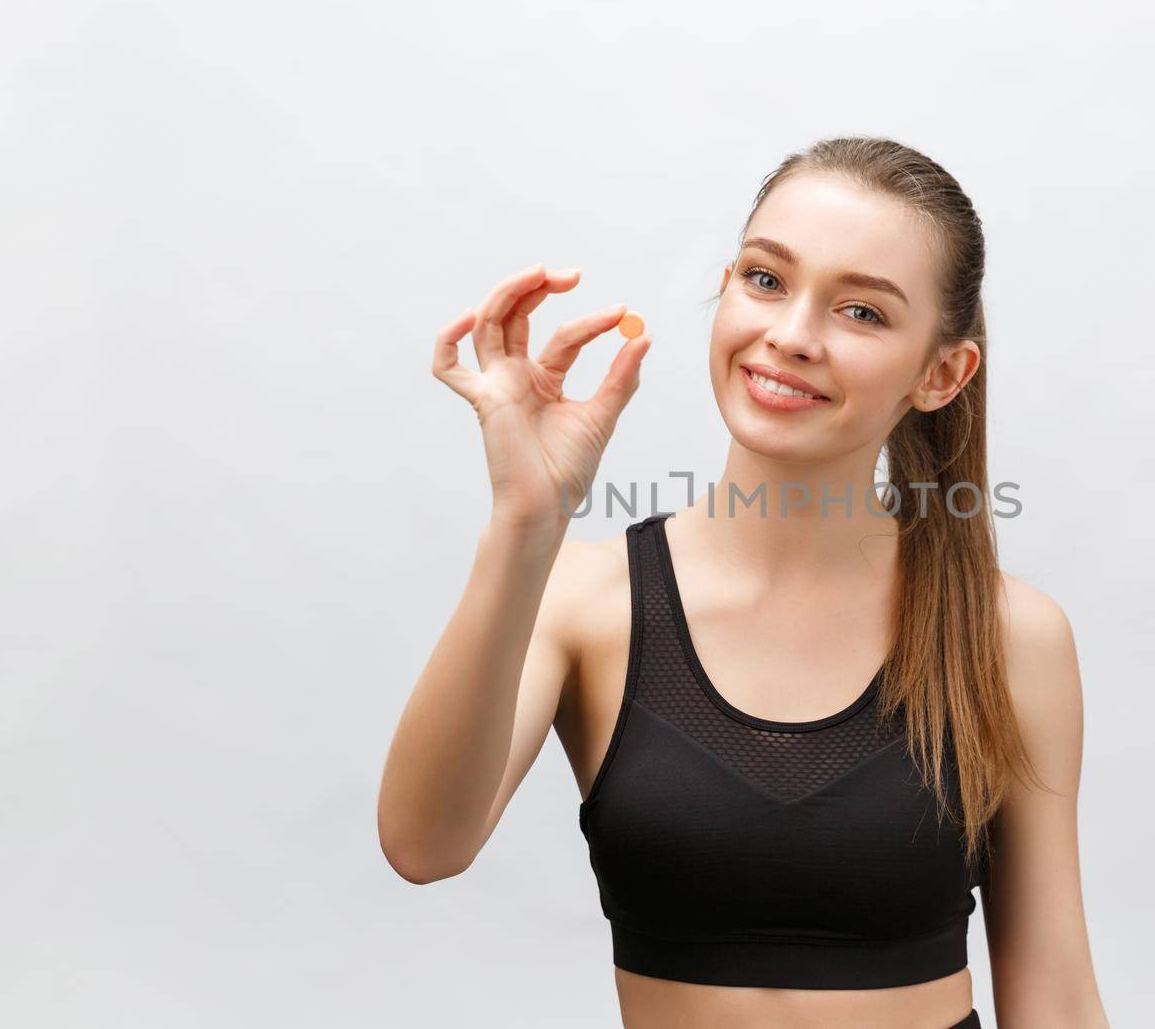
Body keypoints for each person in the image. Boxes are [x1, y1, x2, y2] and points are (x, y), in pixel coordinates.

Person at [378, 136, 1110, 1029]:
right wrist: (525, 526)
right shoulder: (584, 601)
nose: (791, 336)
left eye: (862, 313)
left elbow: (1055, 995)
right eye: (766, 280)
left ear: (941, 373)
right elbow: (422, 845)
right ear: (726, 287)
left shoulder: (1009, 636)